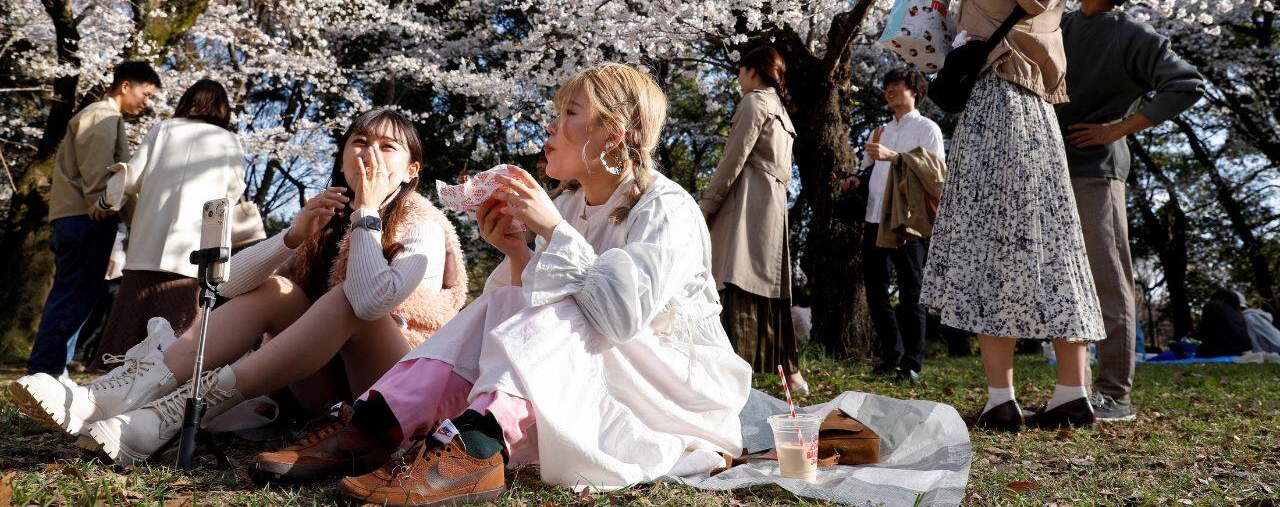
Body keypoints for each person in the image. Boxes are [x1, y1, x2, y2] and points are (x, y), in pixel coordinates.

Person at [248, 64, 751, 505]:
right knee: (502, 298)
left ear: (613, 136)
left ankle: (478, 445)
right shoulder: (575, 203)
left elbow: (618, 318)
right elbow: (522, 309)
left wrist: (552, 231)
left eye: (569, 114)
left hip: (669, 390)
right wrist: (517, 253)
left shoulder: (666, 209)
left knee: (549, 304)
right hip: (596, 367)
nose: (550, 126)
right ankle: (376, 423)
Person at [10, 109, 467, 464]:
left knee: (346, 296)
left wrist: (368, 211)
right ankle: (110, 398)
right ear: (343, 155)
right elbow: (226, 286)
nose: (370, 152)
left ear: (412, 171)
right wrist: (291, 236)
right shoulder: (329, 217)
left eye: (388, 147)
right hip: (329, 395)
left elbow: (369, 303)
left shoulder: (419, 222)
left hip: (397, 391)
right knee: (277, 292)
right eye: (360, 141)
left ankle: (174, 415)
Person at [919, 0, 1105, 431]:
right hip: (1040, 119)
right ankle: (1073, 390)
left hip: (991, 109)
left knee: (988, 247)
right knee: (1056, 243)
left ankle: (1002, 398)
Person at [1055, 0, 1204, 421]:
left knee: (1107, 278)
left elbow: (1185, 83)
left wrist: (1119, 127)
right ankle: (1072, 386)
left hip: (1096, 173)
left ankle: (1115, 392)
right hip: (1048, 169)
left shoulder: (1130, 34)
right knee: (1062, 282)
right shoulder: (1058, 20)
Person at [87, 79, 249, 367]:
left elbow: (132, 175)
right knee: (178, 333)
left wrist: (105, 202)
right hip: (193, 251)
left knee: (129, 326)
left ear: (187, 101)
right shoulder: (229, 142)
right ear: (223, 108)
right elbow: (232, 194)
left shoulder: (163, 130)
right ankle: (162, 396)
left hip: (148, 246)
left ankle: (109, 386)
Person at [27, 61, 162, 377]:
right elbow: (101, 176)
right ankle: (43, 374)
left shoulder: (105, 116)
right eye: (146, 93)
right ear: (125, 85)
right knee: (73, 299)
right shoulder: (101, 116)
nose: (147, 102)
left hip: (80, 217)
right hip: (86, 217)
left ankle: (50, 372)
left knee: (75, 298)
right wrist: (106, 203)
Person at [699, 46, 807, 394]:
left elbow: (733, 159)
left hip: (747, 203)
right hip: (773, 207)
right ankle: (789, 372)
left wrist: (707, 204)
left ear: (751, 72)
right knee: (769, 286)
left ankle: (732, 375)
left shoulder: (754, 102)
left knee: (736, 277)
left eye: (740, 72)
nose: (738, 79)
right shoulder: (782, 111)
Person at [857, 67, 944, 384]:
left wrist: (895, 156)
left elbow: (936, 173)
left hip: (908, 219)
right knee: (876, 291)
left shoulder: (927, 128)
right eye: (887, 86)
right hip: (873, 216)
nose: (890, 91)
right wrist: (854, 178)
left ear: (915, 91)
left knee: (911, 291)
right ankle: (891, 355)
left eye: (897, 85)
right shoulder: (880, 130)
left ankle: (912, 363)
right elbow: (868, 169)